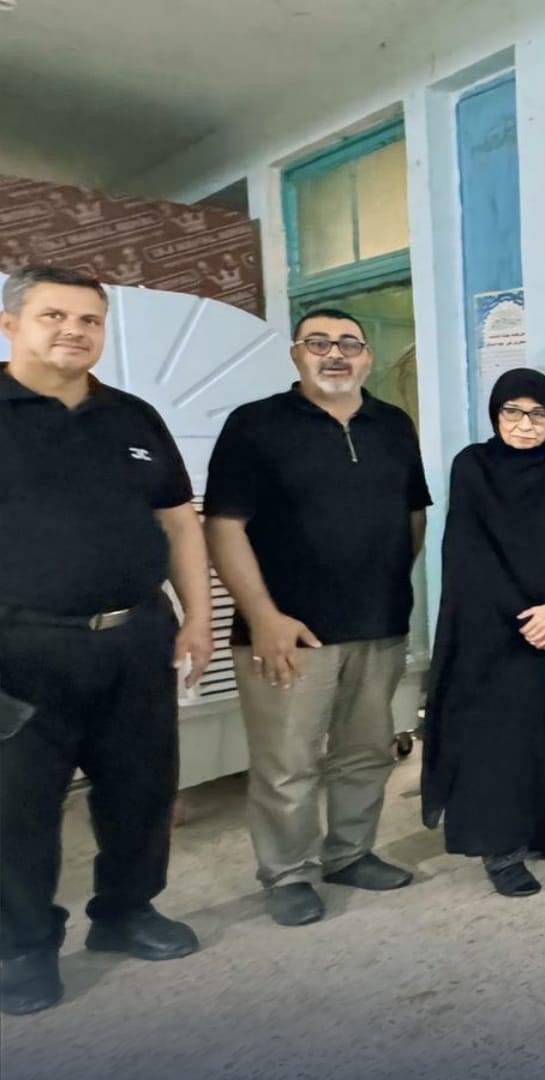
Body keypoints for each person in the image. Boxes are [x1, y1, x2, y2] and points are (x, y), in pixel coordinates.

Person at [0, 266, 212, 1015]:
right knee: (17, 808)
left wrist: (198, 617)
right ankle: (23, 946)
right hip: (21, 648)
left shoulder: (132, 417)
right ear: (10, 325)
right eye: (53, 316)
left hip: (135, 638)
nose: (74, 331)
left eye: (89, 320)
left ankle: (125, 912)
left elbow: (179, 521)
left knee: (141, 789)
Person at [204, 307, 430, 927]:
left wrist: (383, 585)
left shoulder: (393, 424)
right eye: (319, 342)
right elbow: (223, 527)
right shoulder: (255, 425)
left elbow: (413, 516)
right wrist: (263, 615)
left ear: (368, 357)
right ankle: (289, 873)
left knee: (366, 752)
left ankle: (350, 853)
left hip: (380, 625)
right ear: (296, 354)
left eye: (349, 344)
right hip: (289, 633)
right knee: (287, 763)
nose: (335, 354)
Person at [421, 370, 545, 896]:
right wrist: (529, 619)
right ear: (496, 414)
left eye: (538, 414)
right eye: (513, 412)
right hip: (496, 631)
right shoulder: (473, 466)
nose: (525, 424)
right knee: (501, 741)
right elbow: (470, 553)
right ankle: (502, 848)